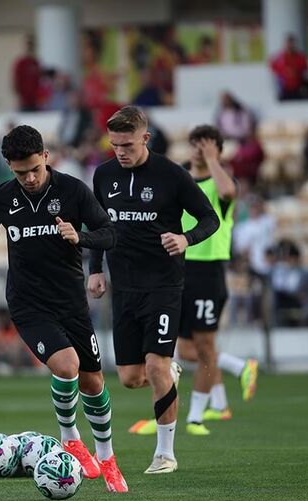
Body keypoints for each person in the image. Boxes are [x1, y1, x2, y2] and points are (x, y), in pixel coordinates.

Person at [0, 125, 128, 492]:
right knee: (68, 365)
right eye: (20, 172)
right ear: (9, 166)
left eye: (34, 169)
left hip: (70, 302)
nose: (29, 178)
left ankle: (107, 459)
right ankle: (70, 438)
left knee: (93, 382)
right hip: (28, 303)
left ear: (46, 156)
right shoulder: (1, 196)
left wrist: (79, 236)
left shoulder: (73, 191)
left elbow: (110, 233)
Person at [88, 106, 219, 474]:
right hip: (123, 287)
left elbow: (210, 218)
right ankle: (168, 374)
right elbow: (98, 226)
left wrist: (186, 238)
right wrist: (95, 270)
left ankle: (165, 454)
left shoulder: (172, 175)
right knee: (131, 378)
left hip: (163, 285)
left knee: (155, 366)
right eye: (115, 145)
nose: (120, 152)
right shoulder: (104, 175)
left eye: (127, 144)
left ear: (145, 138)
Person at [132, 126, 258, 439]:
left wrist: (213, 160)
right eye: (195, 145)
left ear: (217, 150)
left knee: (204, 346)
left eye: (206, 146)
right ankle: (235, 372)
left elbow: (228, 194)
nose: (199, 151)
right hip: (176, 269)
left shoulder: (222, 182)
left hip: (208, 271)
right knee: (179, 348)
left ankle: (196, 417)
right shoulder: (180, 179)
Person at [269, 34, 308, 100]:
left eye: (292, 43)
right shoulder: (278, 58)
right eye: (288, 43)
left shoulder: (301, 58)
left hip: (298, 90)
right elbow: (273, 72)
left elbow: (305, 72)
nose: (290, 46)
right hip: (284, 90)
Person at [12, 36, 41, 112]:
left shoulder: (36, 63)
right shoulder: (20, 63)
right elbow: (16, 82)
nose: (29, 46)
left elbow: (39, 81)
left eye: (31, 44)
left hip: (35, 101)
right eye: (28, 44)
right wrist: (19, 98)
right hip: (24, 102)